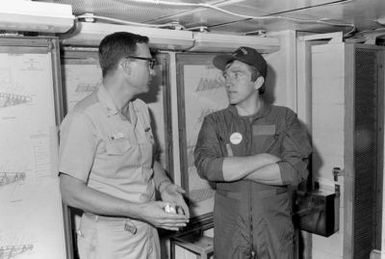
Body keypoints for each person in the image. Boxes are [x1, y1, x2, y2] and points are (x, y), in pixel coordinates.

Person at [58, 32, 189, 259]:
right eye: (149, 63)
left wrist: (165, 185)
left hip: (147, 231)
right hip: (111, 243)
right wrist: (139, 211)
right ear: (126, 66)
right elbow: (70, 192)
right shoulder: (84, 118)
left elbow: (147, 161)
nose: (153, 70)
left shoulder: (140, 110)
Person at [194, 46, 312, 259]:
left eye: (237, 75)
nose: (228, 82)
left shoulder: (284, 119)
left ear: (258, 82)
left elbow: (294, 171)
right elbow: (208, 168)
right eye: (226, 75)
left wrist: (231, 168)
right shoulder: (215, 122)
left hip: (275, 233)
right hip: (231, 235)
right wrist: (264, 159)